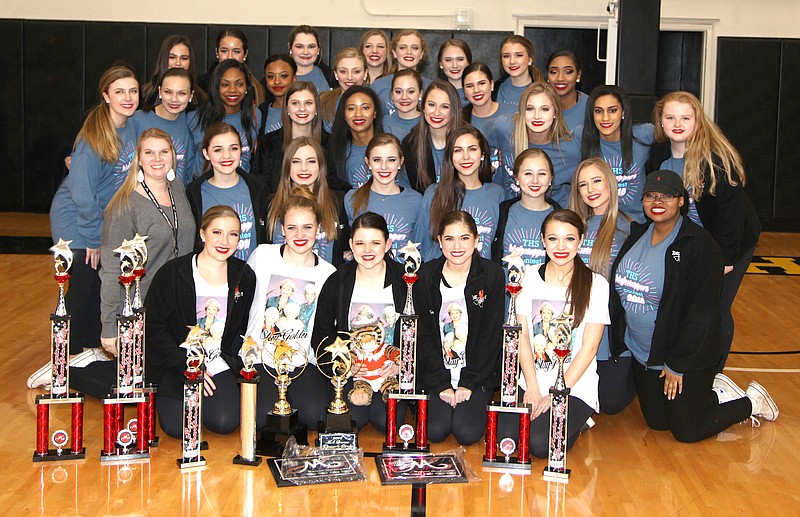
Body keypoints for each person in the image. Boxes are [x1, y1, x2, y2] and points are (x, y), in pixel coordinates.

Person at [610, 170, 777, 442]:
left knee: (687, 430)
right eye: (651, 195)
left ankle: (750, 403)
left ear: (681, 201)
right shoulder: (637, 234)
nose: (658, 201)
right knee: (658, 423)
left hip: (685, 355)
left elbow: (702, 314)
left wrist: (677, 364)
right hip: (645, 355)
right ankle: (712, 394)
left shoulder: (699, 245)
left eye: (667, 196)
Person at [648, 91, 761, 372]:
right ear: (660, 122)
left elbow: (731, 215)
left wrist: (726, 259)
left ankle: (715, 373)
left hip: (728, 242)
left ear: (698, 122)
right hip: (691, 241)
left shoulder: (715, 159)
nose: (677, 123)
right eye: (670, 117)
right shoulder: (658, 155)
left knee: (716, 307)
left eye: (685, 117)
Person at [498, 209, 609, 458]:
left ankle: (579, 422)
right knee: (506, 439)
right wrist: (533, 389)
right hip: (531, 380)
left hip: (573, 386)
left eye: (569, 239)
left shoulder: (597, 285)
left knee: (538, 445)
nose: (561, 246)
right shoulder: (526, 279)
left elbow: (589, 348)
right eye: (553, 239)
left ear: (581, 241)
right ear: (542, 240)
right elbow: (523, 338)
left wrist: (557, 392)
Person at [47, 66, 139, 356]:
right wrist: (91, 239)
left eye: (133, 91)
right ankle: (64, 357)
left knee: (99, 284)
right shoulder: (94, 136)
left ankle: (88, 349)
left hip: (100, 217)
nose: (127, 97)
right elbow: (83, 194)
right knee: (83, 285)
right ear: (106, 95)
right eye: (119, 91)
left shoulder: (132, 125)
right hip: (76, 218)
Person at [145, 205, 255, 438]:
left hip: (216, 363)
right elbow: (153, 330)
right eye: (217, 232)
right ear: (202, 234)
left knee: (224, 423)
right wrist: (186, 364)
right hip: (176, 364)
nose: (224, 241)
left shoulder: (244, 276)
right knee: (180, 429)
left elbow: (241, 328)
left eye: (233, 234)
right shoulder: (173, 273)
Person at [244, 186, 337, 430]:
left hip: (302, 362)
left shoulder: (329, 274)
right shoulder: (262, 256)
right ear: (282, 229)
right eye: (292, 227)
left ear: (319, 230)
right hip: (262, 360)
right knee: (264, 420)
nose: (299, 234)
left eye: (307, 227)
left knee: (314, 417)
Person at [311, 212, 407, 433]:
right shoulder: (337, 281)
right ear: (351, 246)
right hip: (353, 375)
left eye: (375, 243)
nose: (367, 250)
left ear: (388, 244)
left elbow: (421, 332)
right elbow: (322, 332)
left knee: (386, 423)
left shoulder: (405, 281)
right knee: (354, 420)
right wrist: (343, 365)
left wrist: (403, 366)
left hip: (389, 374)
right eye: (360, 243)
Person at [415, 210, 504, 445]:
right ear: (439, 241)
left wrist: (469, 382)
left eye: (464, 238)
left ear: (476, 241)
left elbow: (491, 336)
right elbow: (422, 335)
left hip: (476, 375)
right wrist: (440, 383)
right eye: (449, 239)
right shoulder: (425, 275)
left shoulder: (492, 275)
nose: (457, 246)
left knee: (467, 433)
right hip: (437, 374)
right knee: (434, 431)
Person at [569, 158, 631, 413]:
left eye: (597, 181)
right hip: (578, 321)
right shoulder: (574, 226)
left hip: (611, 328)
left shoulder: (629, 228)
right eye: (583, 184)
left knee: (610, 403)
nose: (591, 189)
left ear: (610, 182)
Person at [413, 126, 504, 261]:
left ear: (483, 155)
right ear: (450, 157)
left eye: (472, 149)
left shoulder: (496, 194)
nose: (465, 157)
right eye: (458, 150)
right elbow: (419, 245)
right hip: (439, 277)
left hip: (482, 278)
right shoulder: (434, 193)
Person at [485, 81, 581, 205]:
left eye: (544, 109)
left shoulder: (570, 149)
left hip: (549, 217)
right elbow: (476, 143)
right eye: (530, 109)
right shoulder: (504, 128)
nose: (537, 116)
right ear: (521, 111)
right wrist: (491, 161)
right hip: (507, 214)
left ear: (555, 113)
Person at [187, 123, 267, 261]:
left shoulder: (258, 188)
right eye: (218, 150)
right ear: (206, 153)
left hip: (252, 276)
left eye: (233, 148)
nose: (226, 156)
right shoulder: (194, 194)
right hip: (212, 277)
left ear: (241, 151)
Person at [265, 137, 348, 266]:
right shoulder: (269, 204)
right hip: (282, 283)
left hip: (327, 282)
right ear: (287, 166)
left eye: (311, 161)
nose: (304, 168)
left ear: (320, 167)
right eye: (296, 162)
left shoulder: (338, 202)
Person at [581, 85, 653, 222]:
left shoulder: (645, 134)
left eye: (612, 110)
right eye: (598, 111)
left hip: (638, 224)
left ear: (623, 112)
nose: (605, 118)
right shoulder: (582, 137)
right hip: (598, 224)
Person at [345, 133, 423, 261]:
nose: (384, 167)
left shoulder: (416, 200)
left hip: (404, 278)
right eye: (377, 160)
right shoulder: (351, 199)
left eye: (391, 160)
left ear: (400, 162)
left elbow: (421, 245)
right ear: (367, 162)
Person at [251, 81, 326, 191]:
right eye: (295, 103)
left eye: (308, 103)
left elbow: (333, 184)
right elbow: (261, 185)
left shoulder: (330, 143)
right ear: (286, 109)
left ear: (316, 109)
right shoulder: (268, 143)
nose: (302, 108)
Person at [491, 148, 558, 269]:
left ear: (550, 179)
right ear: (516, 178)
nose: (535, 180)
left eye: (542, 173)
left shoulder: (560, 217)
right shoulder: (501, 212)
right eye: (528, 173)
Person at [193, 60, 261, 173]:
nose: (233, 90)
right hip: (204, 187)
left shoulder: (255, 115)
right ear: (216, 87)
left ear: (247, 88)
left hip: (242, 187)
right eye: (225, 84)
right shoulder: (196, 117)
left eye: (239, 84)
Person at [134, 68, 198, 185]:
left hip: (175, 199)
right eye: (168, 92)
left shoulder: (189, 123)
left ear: (191, 95)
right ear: (160, 91)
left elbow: (189, 171)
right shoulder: (136, 120)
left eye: (181, 93)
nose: (174, 99)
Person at [403, 80, 464, 193]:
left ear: (454, 110)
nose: (436, 112)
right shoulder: (411, 143)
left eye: (445, 107)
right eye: (431, 105)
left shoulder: (468, 140)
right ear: (423, 107)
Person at [327, 85, 384, 189]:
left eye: (365, 108)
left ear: (375, 113)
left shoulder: (391, 143)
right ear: (344, 114)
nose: (358, 114)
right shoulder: (335, 151)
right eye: (351, 108)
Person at [197, 28, 266, 104]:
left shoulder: (257, 87)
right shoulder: (201, 85)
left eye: (236, 51)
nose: (230, 57)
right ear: (217, 53)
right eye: (224, 51)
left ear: (245, 54)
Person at [370, 30, 431, 114]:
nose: (409, 52)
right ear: (394, 53)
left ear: (421, 54)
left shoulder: (431, 87)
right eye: (402, 47)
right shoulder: (378, 87)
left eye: (415, 48)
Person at [141, 35, 202, 109]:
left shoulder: (202, 99)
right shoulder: (144, 94)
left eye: (184, 58)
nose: (178, 63)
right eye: (172, 57)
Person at [319, 48, 369, 132]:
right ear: (336, 74)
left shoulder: (374, 102)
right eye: (343, 71)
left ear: (365, 74)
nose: (349, 77)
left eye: (356, 72)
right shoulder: (323, 101)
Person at [461, 62, 517, 137]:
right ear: (464, 91)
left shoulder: (513, 113)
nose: (476, 90)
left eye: (481, 83)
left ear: (492, 84)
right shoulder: (458, 120)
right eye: (470, 86)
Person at [495, 35, 544, 106]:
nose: (512, 61)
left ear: (530, 59)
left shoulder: (545, 91)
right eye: (506, 56)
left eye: (519, 55)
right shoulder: (494, 90)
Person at [545, 49, 586, 132]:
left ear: (578, 75)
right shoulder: (537, 106)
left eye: (568, 72)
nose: (560, 78)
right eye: (554, 72)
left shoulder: (591, 106)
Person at [287, 25, 334, 95]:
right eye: (299, 47)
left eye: (311, 47)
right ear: (290, 47)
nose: (306, 52)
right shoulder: (276, 78)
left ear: (318, 49)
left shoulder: (331, 76)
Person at [259, 54, 298, 136]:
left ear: (294, 78)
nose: (277, 81)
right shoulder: (261, 111)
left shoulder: (304, 108)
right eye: (271, 77)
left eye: (283, 76)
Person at [381, 69, 422, 142]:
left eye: (411, 91)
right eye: (398, 92)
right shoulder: (382, 123)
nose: (404, 97)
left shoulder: (428, 123)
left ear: (420, 94)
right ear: (392, 95)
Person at [437, 39, 471, 106]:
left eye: (460, 59)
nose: (454, 65)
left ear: (468, 62)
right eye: (448, 60)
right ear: (440, 64)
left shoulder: (478, 93)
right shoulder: (434, 93)